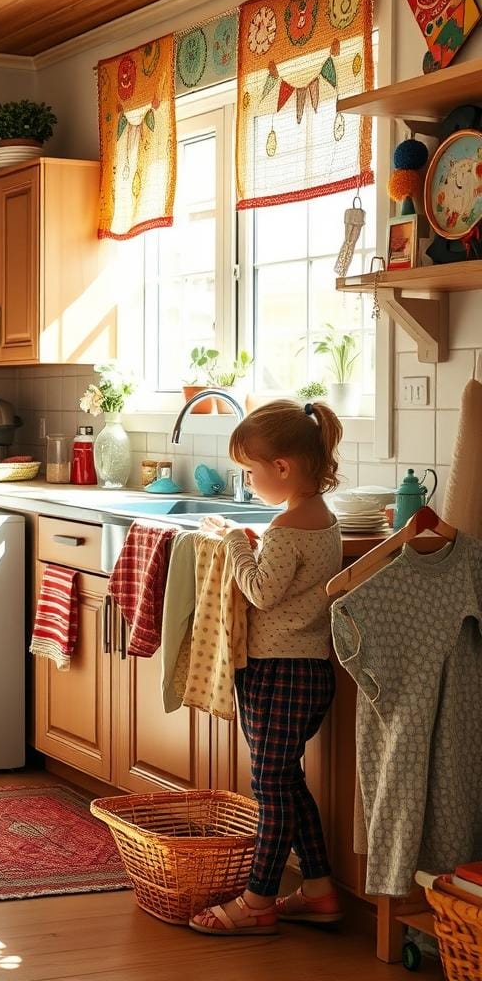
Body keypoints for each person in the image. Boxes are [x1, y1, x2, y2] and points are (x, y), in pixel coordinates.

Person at [190, 399, 345, 936]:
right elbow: (289, 584)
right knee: (286, 781)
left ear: (282, 467)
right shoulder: (322, 519)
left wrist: (235, 538)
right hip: (308, 671)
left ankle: (258, 901)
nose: (249, 483)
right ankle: (321, 890)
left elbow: (259, 591)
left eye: (250, 472)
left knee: (270, 787)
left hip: (278, 674)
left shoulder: (285, 528)